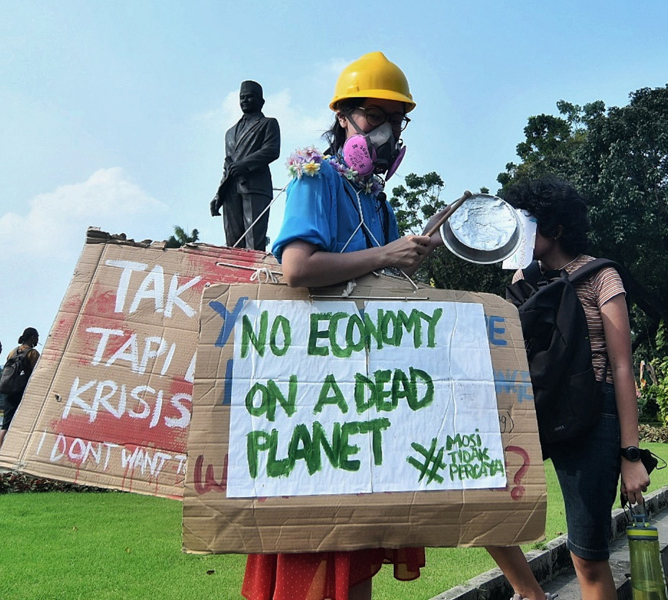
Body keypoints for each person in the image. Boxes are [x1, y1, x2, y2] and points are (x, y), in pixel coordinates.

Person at [241, 51, 441, 600]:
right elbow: (297, 269)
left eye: (394, 119)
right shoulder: (315, 176)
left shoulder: (378, 199)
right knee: (313, 550)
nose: (384, 131)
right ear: (344, 118)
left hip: (366, 393)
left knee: (358, 553)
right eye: (372, 116)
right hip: (314, 393)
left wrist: (407, 260)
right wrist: (386, 256)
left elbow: (389, 283)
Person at [485, 178, 650, 600]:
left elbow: (622, 366)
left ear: (555, 229)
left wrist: (631, 455)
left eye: (526, 225)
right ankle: (531, 593)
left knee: (588, 557)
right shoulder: (522, 279)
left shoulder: (601, 276)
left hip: (595, 416)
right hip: (537, 407)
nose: (517, 235)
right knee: (479, 501)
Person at [211, 80, 281, 251]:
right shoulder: (230, 132)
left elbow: (272, 150)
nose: (245, 100)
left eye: (250, 97)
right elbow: (227, 164)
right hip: (231, 189)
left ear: (261, 101)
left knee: (253, 240)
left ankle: (254, 273)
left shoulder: (268, 123)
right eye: (242, 97)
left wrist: (245, 164)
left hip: (255, 186)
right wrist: (219, 193)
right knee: (233, 243)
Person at [0, 327, 40, 447]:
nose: (37, 340)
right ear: (32, 337)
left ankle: (0, 450)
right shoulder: (33, 353)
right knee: (24, 422)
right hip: (24, 392)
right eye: (37, 337)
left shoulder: (12, 352)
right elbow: (37, 372)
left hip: (9, 391)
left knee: (6, 423)